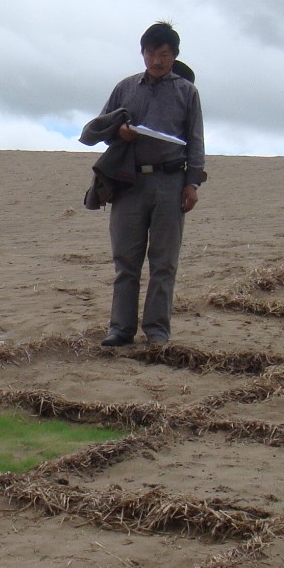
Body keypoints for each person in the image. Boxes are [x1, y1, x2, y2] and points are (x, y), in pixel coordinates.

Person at [83, 22, 206, 348]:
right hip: (129, 183)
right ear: (142, 53)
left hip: (170, 182)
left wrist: (192, 183)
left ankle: (157, 332)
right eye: (150, 53)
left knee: (164, 263)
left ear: (174, 56)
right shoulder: (125, 88)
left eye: (163, 55)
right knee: (126, 262)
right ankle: (120, 330)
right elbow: (96, 128)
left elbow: (195, 142)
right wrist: (117, 132)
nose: (156, 61)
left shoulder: (187, 92)